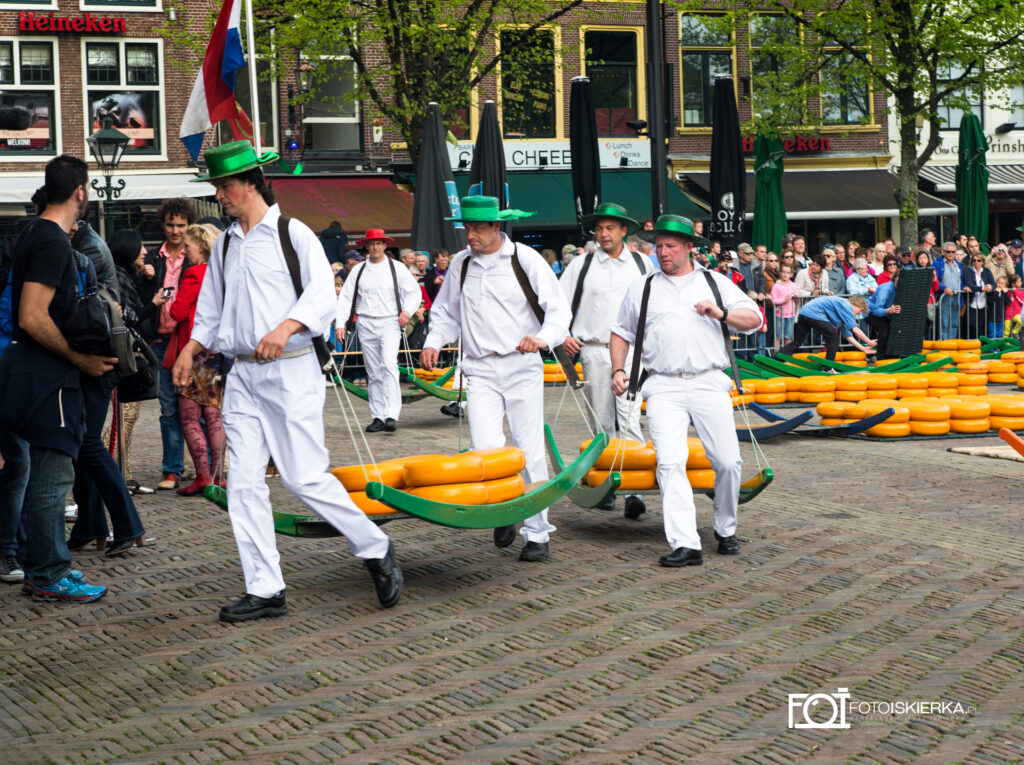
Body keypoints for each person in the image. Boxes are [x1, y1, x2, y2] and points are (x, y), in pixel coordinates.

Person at [173, 141, 402, 620]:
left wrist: (287, 326)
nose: (219, 195)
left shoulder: (292, 233)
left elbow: (323, 296)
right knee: (244, 483)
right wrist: (193, 349)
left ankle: (374, 545)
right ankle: (265, 587)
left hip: (292, 371)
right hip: (241, 377)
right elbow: (211, 309)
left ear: (251, 183)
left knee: (303, 477)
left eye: (225, 185)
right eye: (216, 187)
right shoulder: (228, 244)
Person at [420, 196, 571, 563]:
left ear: (496, 227)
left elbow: (558, 310)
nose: (469, 235)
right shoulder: (460, 264)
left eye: (476, 229)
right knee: (486, 450)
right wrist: (433, 341)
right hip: (479, 369)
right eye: (466, 228)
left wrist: (542, 339)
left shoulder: (525, 259)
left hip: (521, 366)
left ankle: (537, 534)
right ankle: (506, 507)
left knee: (529, 449)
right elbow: (445, 312)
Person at [609, 214, 761, 567]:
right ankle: (685, 542)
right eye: (658, 246)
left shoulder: (714, 282)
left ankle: (725, 527)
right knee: (670, 462)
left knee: (728, 461)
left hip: (709, 381)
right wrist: (618, 368)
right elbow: (621, 332)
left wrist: (721, 313)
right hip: (661, 385)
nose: (663, 252)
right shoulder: (642, 286)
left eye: (671, 246)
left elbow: (755, 319)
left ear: (690, 248)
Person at [0, 155, 114, 601]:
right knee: (52, 476)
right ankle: (49, 572)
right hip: (48, 376)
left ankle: (39, 567)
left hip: (29, 369)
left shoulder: (34, 233)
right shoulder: (50, 240)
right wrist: (79, 359)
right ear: (80, 191)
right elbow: (31, 316)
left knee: (38, 472)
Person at [559, 202, 653, 518]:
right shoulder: (581, 265)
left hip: (633, 351)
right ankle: (606, 483)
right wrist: (564, 335)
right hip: (595, 348)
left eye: (610, 228)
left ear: (624, 230)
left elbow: (656, 304)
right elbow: (557, 304)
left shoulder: (642, 264)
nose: (603, 234)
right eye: (599, 228)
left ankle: (634, 490)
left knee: (628, 416)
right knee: (600, 420)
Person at [136, 197, 197, 491]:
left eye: (181, 225)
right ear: (163, 224)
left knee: (196, 406)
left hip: (188, 341)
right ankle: (172, 469)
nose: (175, 230)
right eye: (171, 224)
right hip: (161, 340)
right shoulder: (152, 258)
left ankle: (204, 468)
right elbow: (140, 298)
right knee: (169, 407)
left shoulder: (196, 257)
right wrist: (144, 277)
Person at [335, 228, 422, 433]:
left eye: (378, 243)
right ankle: (378, 415)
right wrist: (340, 323)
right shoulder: (359, 270)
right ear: (367, 246)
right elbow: (346, 298)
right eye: (371, 243)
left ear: (385, 245)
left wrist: (407, 312)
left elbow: (414, 292)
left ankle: (392, 414)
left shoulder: (397, 268)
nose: (375, 247)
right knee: (373, 371)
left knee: (389, 364)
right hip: (365, 322)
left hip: (390, 322)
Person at [166, 224, 226, 496]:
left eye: (188, 246)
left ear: (200, 247)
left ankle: (203, 475)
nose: (186, 251)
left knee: (190, 417)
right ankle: (219, 476)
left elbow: (178, 312)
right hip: (213, 352)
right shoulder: (218, 273)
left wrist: (166, 300)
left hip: (192, 350)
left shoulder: (193, 274)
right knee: (213, 415)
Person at [105, 229, 165, 495]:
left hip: (132, 353)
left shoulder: (127, 275)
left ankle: (123, 475)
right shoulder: (117, 277)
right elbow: (132, 316)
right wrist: (154, 303)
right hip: (124, 356)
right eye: (140, 246)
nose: (144, 251)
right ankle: (114, 473)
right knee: (124, 417)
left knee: (129, 416)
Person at [779, 295, 876, 362]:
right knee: (834, 338)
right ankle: (828, 368)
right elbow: (855, 329)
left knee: (797, 342)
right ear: (856, 305)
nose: (859, 313)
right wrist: (869, 341)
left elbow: (848, 335)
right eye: (861, 310)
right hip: (814, 313)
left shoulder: (842, 312)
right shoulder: (846, 306)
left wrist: (862, 348)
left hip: (804, 312)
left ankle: (775, 358)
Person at [865, 267, 903, 358]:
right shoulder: (885, 289)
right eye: (900, 279)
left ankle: (893, 355)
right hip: (870, 312)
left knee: (896, 329)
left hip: (886, 313)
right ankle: (881, 357)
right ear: (895, 278)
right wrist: (888, 310)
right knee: (884, 330)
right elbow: (877, 310)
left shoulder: (902, 288)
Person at [961, 252, 995, 339]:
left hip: (984, 303)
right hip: (972, 302)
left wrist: (990, 286)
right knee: (972, 325)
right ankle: (973, 343)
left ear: (982, 262)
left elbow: (993, 284)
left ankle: (982, 344)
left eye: (978, 260)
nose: (976, 262)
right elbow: (969, 284)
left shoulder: (986, 271)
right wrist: (982, 288)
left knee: (982, 325)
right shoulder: (968, 270)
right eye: (974, 260)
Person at [934, 242, 962, 340]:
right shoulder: (937, 264)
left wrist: (965, 287)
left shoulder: (958, 265)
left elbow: (960, 280)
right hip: (944, 297)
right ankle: (944, 344)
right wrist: (943, 288)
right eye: (948, 252)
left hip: (956, 296)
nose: (951, 254)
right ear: (943, 252)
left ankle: (952, 343)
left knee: (954, 322)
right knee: (944, 322)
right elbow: (935, 281)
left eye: (953, 252)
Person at [771, 263, 799, 349]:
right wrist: (784, 300)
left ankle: (787, 356)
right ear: (780, 273)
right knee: (778, 336)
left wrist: (796, 296)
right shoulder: (776, 286)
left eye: (787, 272)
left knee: (788, 337)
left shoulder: (793, 285)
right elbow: (774, 300)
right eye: (783, 272)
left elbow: (797, 300)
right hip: (779, 315)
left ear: (791, 274)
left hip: (790, 315)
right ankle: (776, 356)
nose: (785, 274)